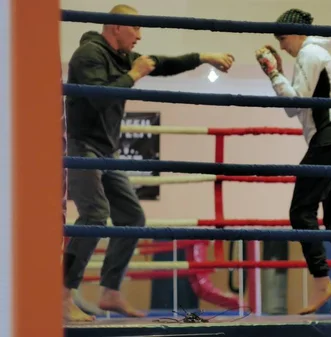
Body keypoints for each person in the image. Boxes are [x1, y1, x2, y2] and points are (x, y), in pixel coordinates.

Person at [63, 4, 235, 322]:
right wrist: (134, 74)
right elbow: (99, 96)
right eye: (136, 29)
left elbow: (164, 64)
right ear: (116, 27)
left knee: (132, 217)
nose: (140, 36)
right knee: (95, 215)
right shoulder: (89, 54)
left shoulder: (121, 57)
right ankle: (60, 294)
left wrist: (204, 57)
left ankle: (110, 291)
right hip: (83, 147)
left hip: (107, 151)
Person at [254, 8, 331, 315]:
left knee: (301, 211)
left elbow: (295, 105)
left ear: (296, 33)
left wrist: (273, 73)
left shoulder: (309, 54)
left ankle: (321, 282)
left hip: (329, 140)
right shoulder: (315, 51)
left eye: (282, 38)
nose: (281, 45)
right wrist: (278, 70)